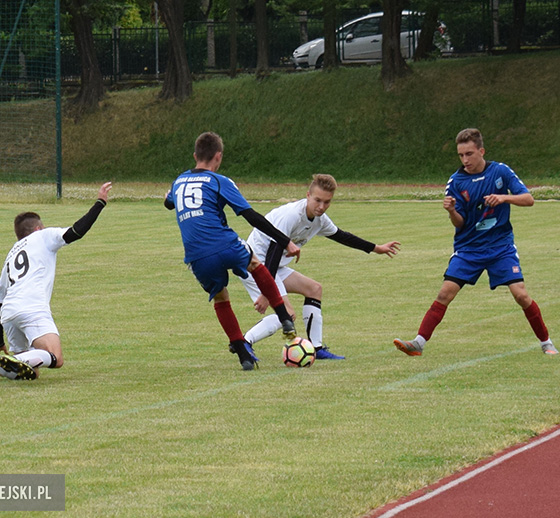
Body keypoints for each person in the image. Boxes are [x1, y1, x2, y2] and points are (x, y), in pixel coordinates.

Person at [394, 128, 557, 356]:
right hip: (469, 248)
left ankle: (546, 342)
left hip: (500, 246)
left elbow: (528, 199)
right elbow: (459, 223)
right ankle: (418, 343)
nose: (465, 160)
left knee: (520, 294)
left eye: (469, 154)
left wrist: (503, 198)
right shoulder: (456, 181)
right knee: (444, 294)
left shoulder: (500, 171)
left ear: (481, 151)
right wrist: (452, 211)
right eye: (461, 155)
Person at [164, 132, 301, 371]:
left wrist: (171, 194)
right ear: (218, 156)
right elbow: (251, 216)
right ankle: (284, 317)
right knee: (254, 263)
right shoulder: (219, 181)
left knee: (221, 297)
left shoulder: (179, 182)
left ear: (195, 156)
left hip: (196, 256)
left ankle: (243, 355)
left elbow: (168, 203)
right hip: (224, 244)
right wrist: (285, 240)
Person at [0, 182, 113, 383]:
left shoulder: (11, 255)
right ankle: (12, 359)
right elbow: (76, 231)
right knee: (56, 358)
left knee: (30, 373)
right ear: (38, 228)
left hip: (8, 314)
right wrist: (100, 203)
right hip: (32, 308)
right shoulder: (42, 236)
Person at [240, 173, 400, 359]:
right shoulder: (291, 216)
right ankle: (244, 343)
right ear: (308, 195)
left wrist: (376, 248)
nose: (322, 207)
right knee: (287, 314)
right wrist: (267, 292)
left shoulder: (320, 219)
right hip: (256, 265)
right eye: (317, 200)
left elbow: (342, 236)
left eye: (327, 202)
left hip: (274, 266)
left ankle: (316, 349)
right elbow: (273, 253)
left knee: (314, 289)